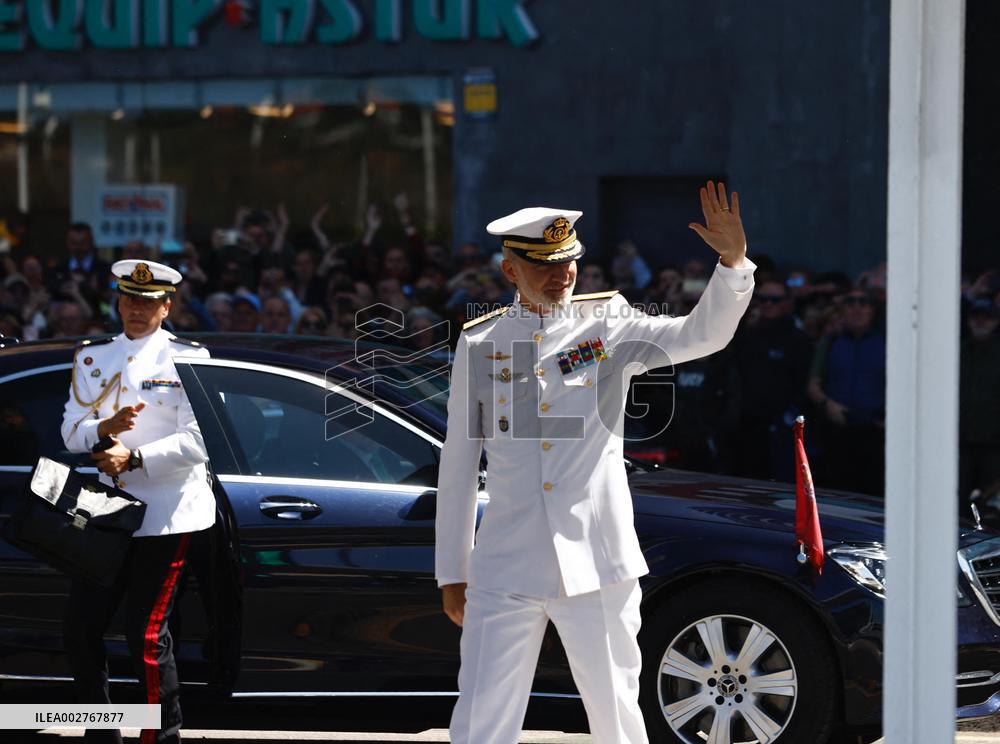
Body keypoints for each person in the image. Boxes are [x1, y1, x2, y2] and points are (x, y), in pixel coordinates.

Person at [436, 180, 755, 743]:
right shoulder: (482, 341)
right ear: (511, 271)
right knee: (480, 720)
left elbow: (701, 335)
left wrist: (732, 263)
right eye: (545, 267)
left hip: (597, 563)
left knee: (616, 720)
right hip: (505, 565)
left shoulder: (608, 323)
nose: (561, 277)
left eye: (569, 263)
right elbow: (459, 465)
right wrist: (453, 572)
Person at [60, 259, 215, 744]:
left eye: (148, 302)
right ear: (118, 301)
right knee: (81, 628)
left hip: (166, 513)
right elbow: (70, 433)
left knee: (145, 637)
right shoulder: (94, 357)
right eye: (129, 299)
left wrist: (133, 459)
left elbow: (199, 440)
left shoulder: (189, 357)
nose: (136, 309)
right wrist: (102, 432)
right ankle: (101, 732)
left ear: (166, 307)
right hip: (106, 512)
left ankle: (158, 737)